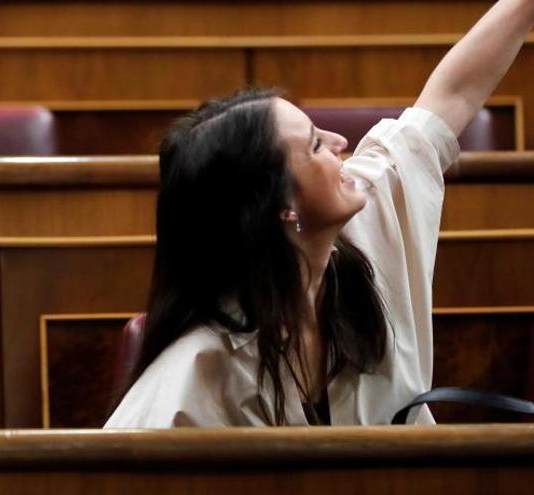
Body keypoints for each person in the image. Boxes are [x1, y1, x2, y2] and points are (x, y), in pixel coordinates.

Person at [105, 0, 534, 428]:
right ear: (282, 209)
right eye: (314, 144)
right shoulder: (192, 377)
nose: (339, 141)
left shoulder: (364, 219)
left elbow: (454, 93)